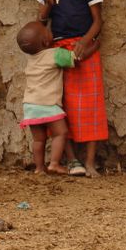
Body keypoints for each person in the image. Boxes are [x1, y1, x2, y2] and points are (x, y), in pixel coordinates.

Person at [34, 0, 108, 177]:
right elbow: (41, 23)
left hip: (82, 47)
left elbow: (97, 22)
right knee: (59, 107)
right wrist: (48, 5)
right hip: (59, 53)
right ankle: (71, 160)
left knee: (91, 106)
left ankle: (89, 162)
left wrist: (84, 43)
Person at [16, 21, 98, 174]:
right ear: (46, 41)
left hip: (30, 105)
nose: (49, 29)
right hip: (47, 104)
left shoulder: (31, 59)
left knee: (39, 140)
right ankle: (54, 163)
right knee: (60, 133)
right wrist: (94, 47)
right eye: (46, 30)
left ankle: (39, 168)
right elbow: (76, 58)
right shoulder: (55, 54)